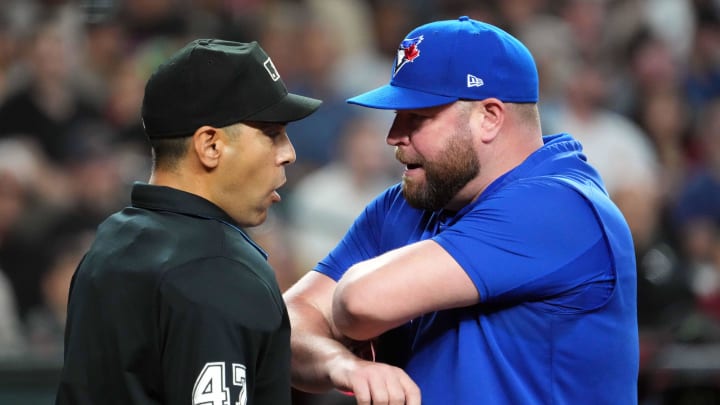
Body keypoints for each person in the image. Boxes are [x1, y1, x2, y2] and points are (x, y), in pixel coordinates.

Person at [284, 16, 639, 404]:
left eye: (416, 117)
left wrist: (341, 313)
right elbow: (287, 324)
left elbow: (358, 301)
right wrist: (344, 365)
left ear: (488, 118)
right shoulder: (405, 202)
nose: (393, 136)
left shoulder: (562, 205)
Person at [56, 39, 321, 404]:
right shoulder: (221, 270)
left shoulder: (112, 239)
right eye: (272, 134)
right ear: (210, 145)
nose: (289, 153)